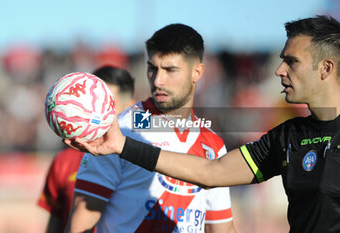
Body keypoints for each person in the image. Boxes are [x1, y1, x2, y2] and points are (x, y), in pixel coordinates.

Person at [65, 15, 340, 233]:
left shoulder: (210, 140)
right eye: (153, 68)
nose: (279, 70)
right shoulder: (288, 136)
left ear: (326, 68)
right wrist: (122, 145)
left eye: (291, 61)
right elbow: (211, 172)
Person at [65, 24, 236, 233]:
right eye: (152, 68)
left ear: (197, 72)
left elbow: (221, 228)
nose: (158, 80)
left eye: (170, 70)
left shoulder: (214, 145)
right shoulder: (118, 132)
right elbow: (80, 224)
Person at [38, 65, 135, 233]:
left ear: (130, 107)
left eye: (105, 106)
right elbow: (56, 220)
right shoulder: (63, 161)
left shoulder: (141, 161)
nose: (92, 115)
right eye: (86, 106)